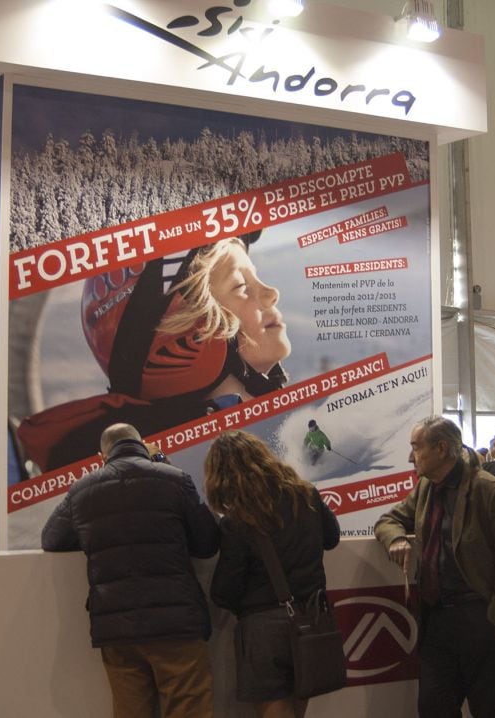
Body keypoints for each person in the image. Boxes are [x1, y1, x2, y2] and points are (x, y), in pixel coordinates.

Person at [19, 232, 290, 471]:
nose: (271, 293)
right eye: (241, 286)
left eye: (257, 278)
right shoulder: (191, 467)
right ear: (183, 334)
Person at [42, 423, 220, 718]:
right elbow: (208, 543)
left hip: (117, 629)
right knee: (189, 706)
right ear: (143, 444)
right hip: (176, 623)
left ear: (102, 455)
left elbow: (51, 539)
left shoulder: (82, 490)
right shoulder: (174, 479)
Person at [375, 416, 495, 717]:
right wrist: (396, 539)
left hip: (478, 618)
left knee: (486, 707)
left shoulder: (489, 491)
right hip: (435, 619)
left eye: (416, 447)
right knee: (434, 708)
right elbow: (388, 520)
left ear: (441, 448)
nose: (411, 457)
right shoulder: (426, 487)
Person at [206, 431, 340, 718]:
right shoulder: (306, 495)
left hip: (263, 629)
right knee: (299, 705)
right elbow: (331, 538)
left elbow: (225, 589)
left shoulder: (237, 520)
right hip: (312, 617)